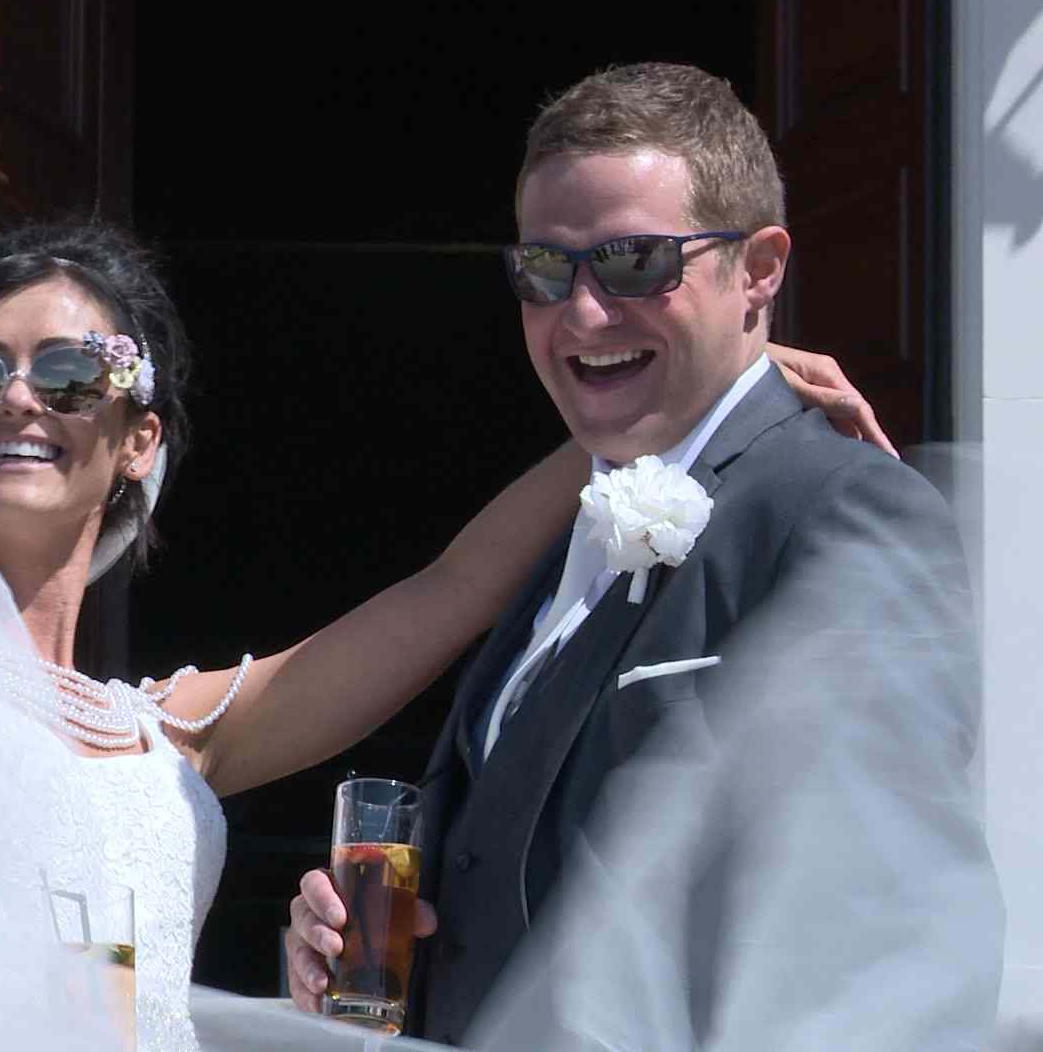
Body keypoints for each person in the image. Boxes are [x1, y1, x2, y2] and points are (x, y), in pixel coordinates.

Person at [0, 220, 884, 1052]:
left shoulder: (156, 734)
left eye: (71, 370)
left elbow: (448, 591)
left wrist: (697, 401)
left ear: (139, 442)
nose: (17, 397)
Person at [283, 62, 1001, 1051]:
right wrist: (363, 956)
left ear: (758, 269)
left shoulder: (847, 509)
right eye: (545, 271)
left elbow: (897, 942)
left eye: (633, 264)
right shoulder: (558, 541)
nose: (581, 314)